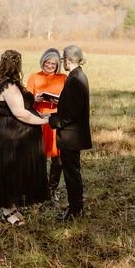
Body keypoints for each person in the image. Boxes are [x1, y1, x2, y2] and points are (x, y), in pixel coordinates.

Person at [0, 49, 50, 225]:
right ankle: (7, 210)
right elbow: (21, 113)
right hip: (12, 135)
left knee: (18, 170)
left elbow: (20, 104)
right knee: (10, 170)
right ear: (16, 65)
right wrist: (43, 121)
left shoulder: (11, 83)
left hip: (17, 134)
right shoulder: (8, 86)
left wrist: (35, 99)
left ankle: (12, 205)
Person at [48, 45, 92, 220]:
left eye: (62, 59)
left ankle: (75, 210)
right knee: (73, 173)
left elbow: (71, 113)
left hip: (71, 136)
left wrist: (50, 119)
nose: (62, 63)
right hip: (72, 134)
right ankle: (76, 208)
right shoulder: (76, 76)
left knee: (71, 174)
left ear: (67, 59)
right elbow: (72, 104)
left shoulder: (75, 79)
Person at [26, 48, 67, 196]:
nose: (49, 66)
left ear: (57, 66)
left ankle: (52, 188)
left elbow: (69, 100)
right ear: (42, 62)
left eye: (53, 64)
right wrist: (33, 99)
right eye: (47, 62)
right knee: (39, 155)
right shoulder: (34, 77)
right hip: (39, 119)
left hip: (56, 120)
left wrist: (60, 101)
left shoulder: (63, 78)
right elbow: (25, 103)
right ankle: (39, 187)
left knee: (58, 157)